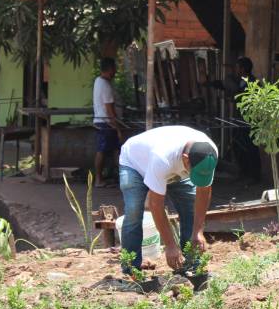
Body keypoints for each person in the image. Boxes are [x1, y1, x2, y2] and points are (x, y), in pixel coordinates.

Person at [119, 125, 218, 275]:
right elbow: (156, 204)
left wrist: (198, 231)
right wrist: (170, 246)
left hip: (172, 168)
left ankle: (191, 264)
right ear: (186, 160)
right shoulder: (162, 158)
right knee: (134, 211)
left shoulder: (209, 153)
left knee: (190, 206)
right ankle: (131, 269)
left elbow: (204, 190)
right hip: (135, 164)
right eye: (195, 173)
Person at [93, 57, 122, 187]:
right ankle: (98, 179)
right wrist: (117, 127)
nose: (115, 71)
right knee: (103, 151)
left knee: (114, 150)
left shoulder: (98, 81)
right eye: (114, 69)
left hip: (102, 121)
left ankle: (117, 177)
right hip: (106, 123)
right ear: (110, 69)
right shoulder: (105, 85)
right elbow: (109, 109)